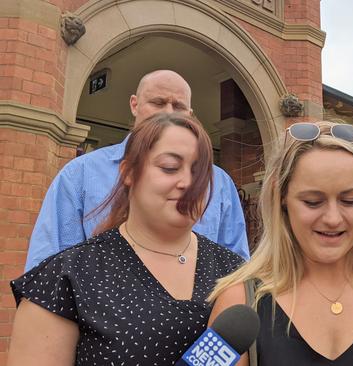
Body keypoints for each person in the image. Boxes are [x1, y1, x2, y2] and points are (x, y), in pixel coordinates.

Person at [8, 113, 245, 365]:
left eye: (199, 173)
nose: (187, 182)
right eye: (169, 167)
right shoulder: (68, 276)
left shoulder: (235, 272)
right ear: (128, 172)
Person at [208, 121, 353, 365]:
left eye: (349, 200)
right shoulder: (238, 299)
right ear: (281, 197)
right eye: (312, 201)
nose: (333, 219)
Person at [25, 70, 249, 270]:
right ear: (134, 104)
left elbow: (236, 268)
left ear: (190, 113)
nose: (168, 113)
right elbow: (49, 268)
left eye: (178, 106)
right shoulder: (80, 174)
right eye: (158, 102)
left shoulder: (218, 182)